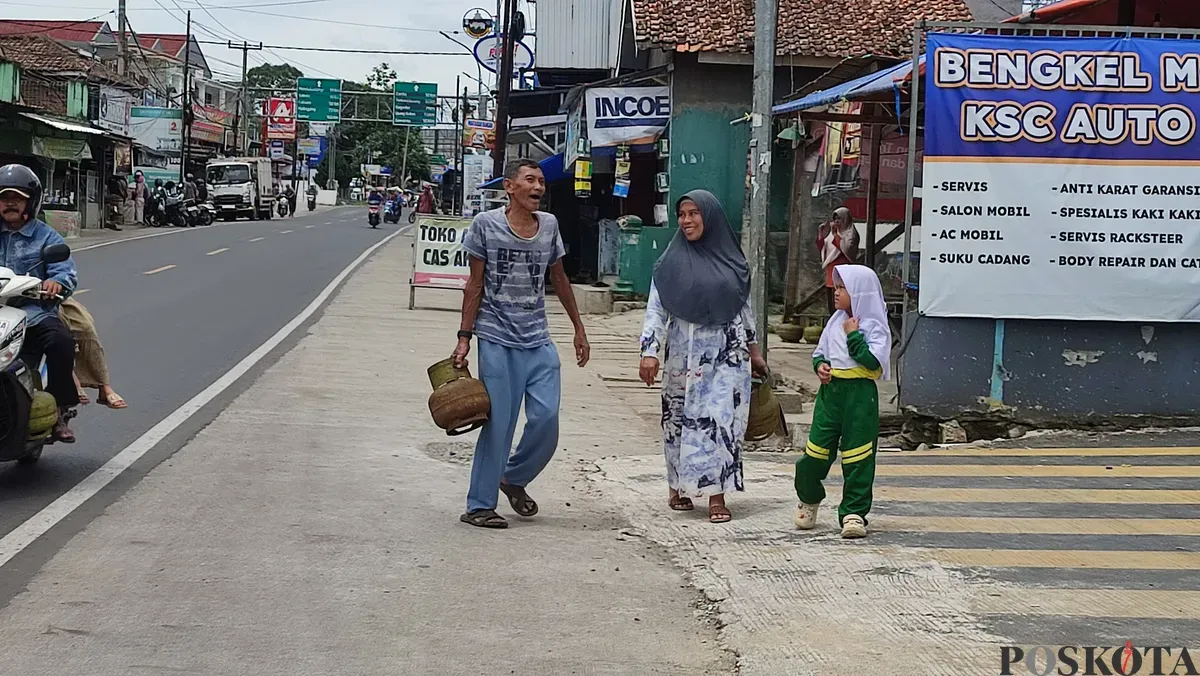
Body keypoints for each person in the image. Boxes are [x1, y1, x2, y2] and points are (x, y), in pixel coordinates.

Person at [453, 158, 590, 529]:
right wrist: (464, 339)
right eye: (530, 180)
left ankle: (512, 477)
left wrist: (579, 328)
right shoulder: (486, 225)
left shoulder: (549, 226)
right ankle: (480, 504)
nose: (539, 187)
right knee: (499, 424)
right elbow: (475, 284)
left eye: (542, 181)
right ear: (510, 187)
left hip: (538, 338)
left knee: (547, 420)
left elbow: (559, 279)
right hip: (496, 337)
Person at [638, 190, 767, 524]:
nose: (686, 221)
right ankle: (677, 485)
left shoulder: (734, 264)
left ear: (709, 217)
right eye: (682, 215)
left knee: (723, 423)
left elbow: (744, 311)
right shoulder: (669, 264)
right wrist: (649, 352)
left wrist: (754, 352)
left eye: (694, 213)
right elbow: (656, 309)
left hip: (728, 356)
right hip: (684, 356)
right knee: (679, 420)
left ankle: (716, 495)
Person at [794, 264, 890, 539]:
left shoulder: (874, 325)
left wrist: (854, 335)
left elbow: (873, 362)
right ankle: (809, 498)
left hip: (859, 396)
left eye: (842, 288)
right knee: (814, 454)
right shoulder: (834, 321)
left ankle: (854, 513)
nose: (835, 293)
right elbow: (820, 353)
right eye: (836, 287)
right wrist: (820, 366)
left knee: (858, 456)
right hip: (831, 395)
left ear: (859, 292)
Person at [0, 164, 79, 442]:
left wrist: (56, 283)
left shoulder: (46, 237)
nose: (9, 203)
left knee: (61, 342)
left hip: (32, 313)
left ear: (30, 203)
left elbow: (65, 272)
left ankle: (59, 409)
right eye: (4, 198)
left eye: (17, 198)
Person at [60, 297, 126, 410]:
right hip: (28, 302)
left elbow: (68, 279)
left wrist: (58, 283)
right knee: (60, 327)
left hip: (53, 297)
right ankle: (72, 377)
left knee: (86, 328)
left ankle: (104, 386)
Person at [817, 207, 859, 315]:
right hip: (831, 273)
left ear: (845, 220)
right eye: (835, 220)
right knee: (832, 303)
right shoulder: (832, 234)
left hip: (843, 273)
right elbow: (823, 248)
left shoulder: (851, 234)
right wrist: (821, 234)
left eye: (839, 220)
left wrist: (836, 234)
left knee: (842, 304)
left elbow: (847, 249)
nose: (836, 222)